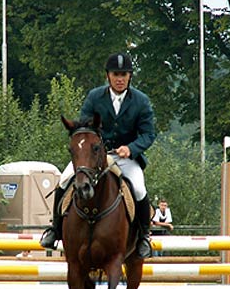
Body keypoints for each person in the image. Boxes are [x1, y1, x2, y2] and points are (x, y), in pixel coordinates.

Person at [40, 53, 156, 258]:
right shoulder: (95, 97)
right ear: (108, 76)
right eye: (115, 74)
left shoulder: (141, 101)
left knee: (138, 188)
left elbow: (148, 134)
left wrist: (131, 148)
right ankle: (55, 229)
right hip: (94, 156)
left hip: (125, 157)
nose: (120, 78)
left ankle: (144, 236)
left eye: (124, 74)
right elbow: (83, 126)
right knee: (63, 180)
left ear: (130, 76)